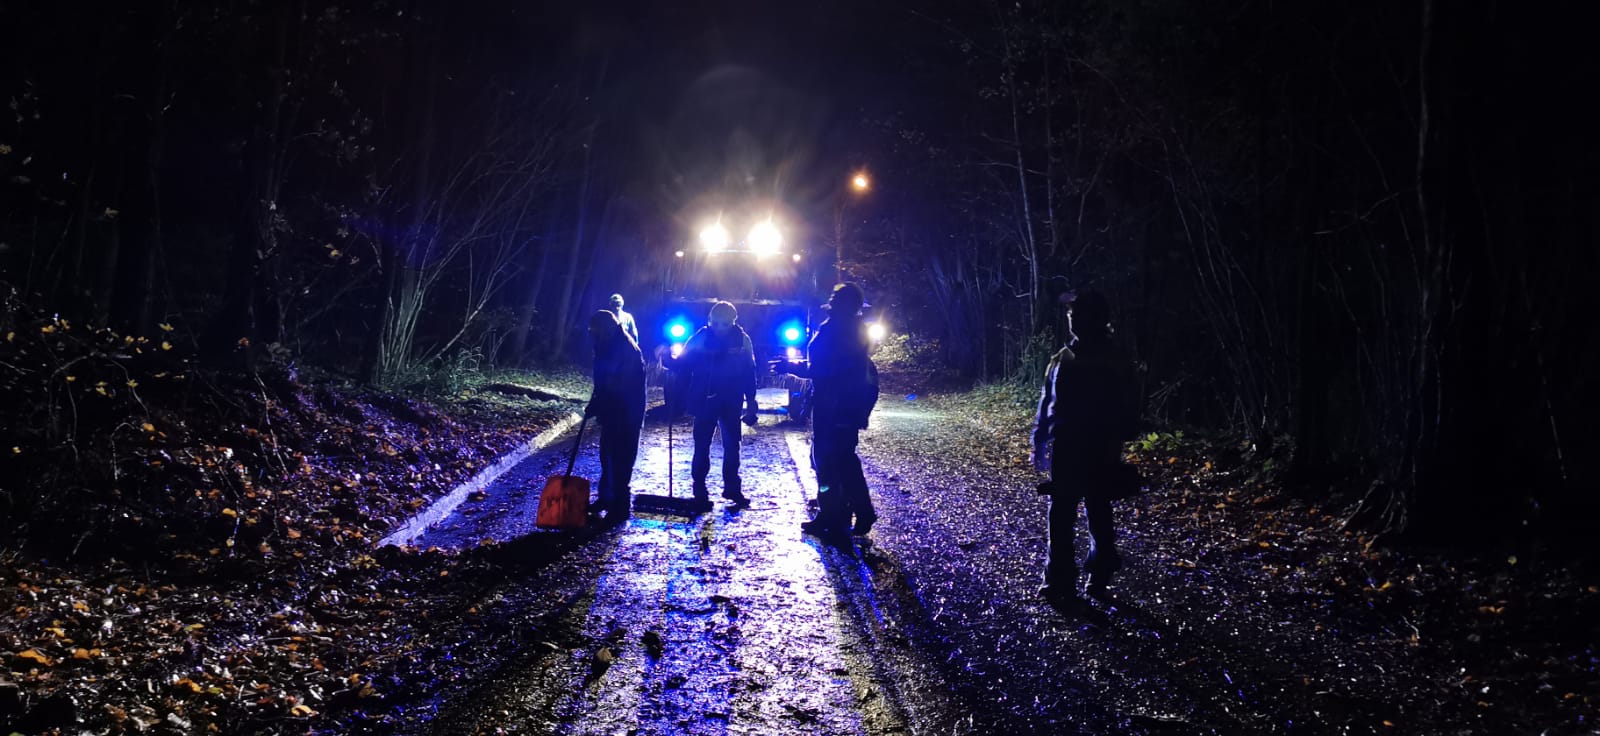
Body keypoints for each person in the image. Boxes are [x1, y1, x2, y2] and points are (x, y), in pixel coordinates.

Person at [1031, 290, 1139, 608]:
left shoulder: (1103, 359)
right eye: (1071, 315)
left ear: (1098, 318)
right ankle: (1066, 578)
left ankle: (1086, 575)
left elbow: (1126, 405)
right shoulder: (1067, 357)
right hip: (1077, 446)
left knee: (1089, 511)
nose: (1073, 319)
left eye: (1079, 314)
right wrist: (1039, 440)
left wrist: (1116, 440)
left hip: (1094, 445)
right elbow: (1047, 403)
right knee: (1071, 512)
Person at [800, 283, 879, 540]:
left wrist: (798, 369)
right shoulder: (847, 328)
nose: (831, 301)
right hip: (839, 404)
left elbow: (831, 370)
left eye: (835, 298)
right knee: (839, 460)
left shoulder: (841, 329)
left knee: (833, 461)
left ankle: (847, 513)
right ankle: (838, 512)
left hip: (837, 405)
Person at [671, 301, 757, 510]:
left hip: (730, 401)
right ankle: (699, 490)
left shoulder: (742, 341)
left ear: (733, 322)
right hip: (705, 400)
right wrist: (671, 364)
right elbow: (683, 365)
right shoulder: (700, 338)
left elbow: (749, 372)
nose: (719, 328)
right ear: (710, 321)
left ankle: (732, 488)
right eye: (716, 324)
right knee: (701, 446)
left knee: (732, 446)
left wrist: (751, 400)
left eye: (724, 324)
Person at [586, 310, 646, 523]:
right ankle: (606, 498)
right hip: (613, 411)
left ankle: (620, 506)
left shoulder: (625, 350)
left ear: (606, 329)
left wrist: (602, 402)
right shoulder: (606, 345)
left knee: (621, 459)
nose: (593, 334)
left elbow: (620, 385)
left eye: (595, 330)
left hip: (627, 413)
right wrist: (596, 401)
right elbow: (603, 382)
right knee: (607, 456)